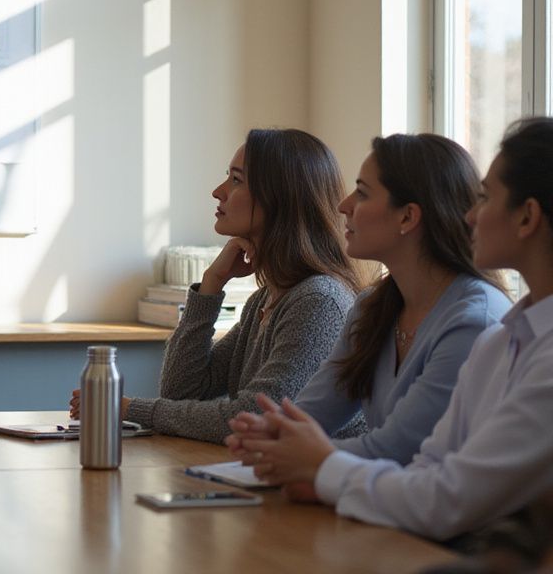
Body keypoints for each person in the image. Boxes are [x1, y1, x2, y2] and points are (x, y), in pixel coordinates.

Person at [236, 118, 553, 541]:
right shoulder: (499, 340)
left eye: (486, 198)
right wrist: (291, 450)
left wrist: (315, 463)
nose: (472, 215)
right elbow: (429, 467)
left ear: (527, 216)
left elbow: (442, 490)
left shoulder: (481, 323)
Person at [226, 134, 508, 467]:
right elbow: (310, 414)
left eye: (362, 192)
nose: (344, 205)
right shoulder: (372, 305)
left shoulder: (472, 320)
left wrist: (295, 449)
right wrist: (270, 431)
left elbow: (398, 449)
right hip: (384, 502)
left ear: (407, 217)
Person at [70, 128, 361, 442]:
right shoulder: (263, 302)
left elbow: (254, 419)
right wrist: (210, 285)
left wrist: (128, 408)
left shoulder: (319, 301)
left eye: (236, 180)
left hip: (323, 489)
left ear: (278, 198)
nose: (218, 191)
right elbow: (181, 391)